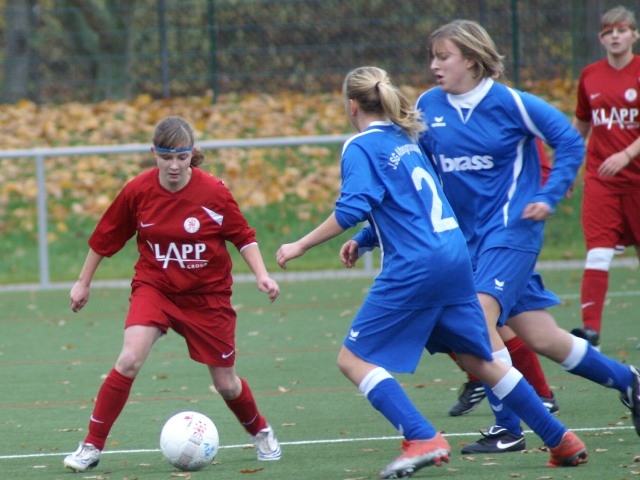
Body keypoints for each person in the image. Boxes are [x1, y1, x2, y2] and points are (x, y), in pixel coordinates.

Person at [277, 65, 588, 479]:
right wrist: (368, 238)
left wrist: (299, 245)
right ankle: (560, 438)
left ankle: (421, 436)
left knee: (353, 359)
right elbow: (415, 202)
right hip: (454, 257)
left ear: (352, 105)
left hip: (415, 265)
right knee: (481, 359)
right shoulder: (405, 137)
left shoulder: (361, 145)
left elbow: (352, 207)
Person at [416, 19, 640, 456]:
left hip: (511, 232)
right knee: (542, 337)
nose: (434, 65)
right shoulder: (429, 106)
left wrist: (548, 194)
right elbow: (417, 176)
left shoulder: (510, 102)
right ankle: (629, 381)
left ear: (473, 59)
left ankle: (509, 428)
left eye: (443, 57)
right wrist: (370, 235)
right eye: (432, 57)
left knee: (475, 319)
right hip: (469, 243)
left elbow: (569, 142)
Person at [63, 116, 282, 472]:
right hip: (156, 288)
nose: (175, 165)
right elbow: (106, 236)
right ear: (154, 153)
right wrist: (83, 282)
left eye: (182, 156)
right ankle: (91, 446)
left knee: (226, 384)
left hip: (207, 296)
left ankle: (261, 431)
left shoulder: (214, 192)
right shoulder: (138, 190)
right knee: (129, 359)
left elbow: (243, 236)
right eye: (166, 157)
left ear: (192, 153)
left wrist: (262, 275)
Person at [448, 141, 558, 417]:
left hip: (501, 238)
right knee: (456, 318)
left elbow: (552, 155)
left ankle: (532, 399)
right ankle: (487, 380)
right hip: (465, 234)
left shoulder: (508, 117)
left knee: (481, 320)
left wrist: (548, 192)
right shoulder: (442, 123)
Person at [571, 5, 640, 349]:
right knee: (598, 252)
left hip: (637, 182)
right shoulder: (590, 75)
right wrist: (568, 168)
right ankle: (591, 335)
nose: (615, 36)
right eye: (608, 32)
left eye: (621, 30)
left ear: (634, 35)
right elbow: (582, 124)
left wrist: (627, 154)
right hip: (602, 180)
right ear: (600, 39)